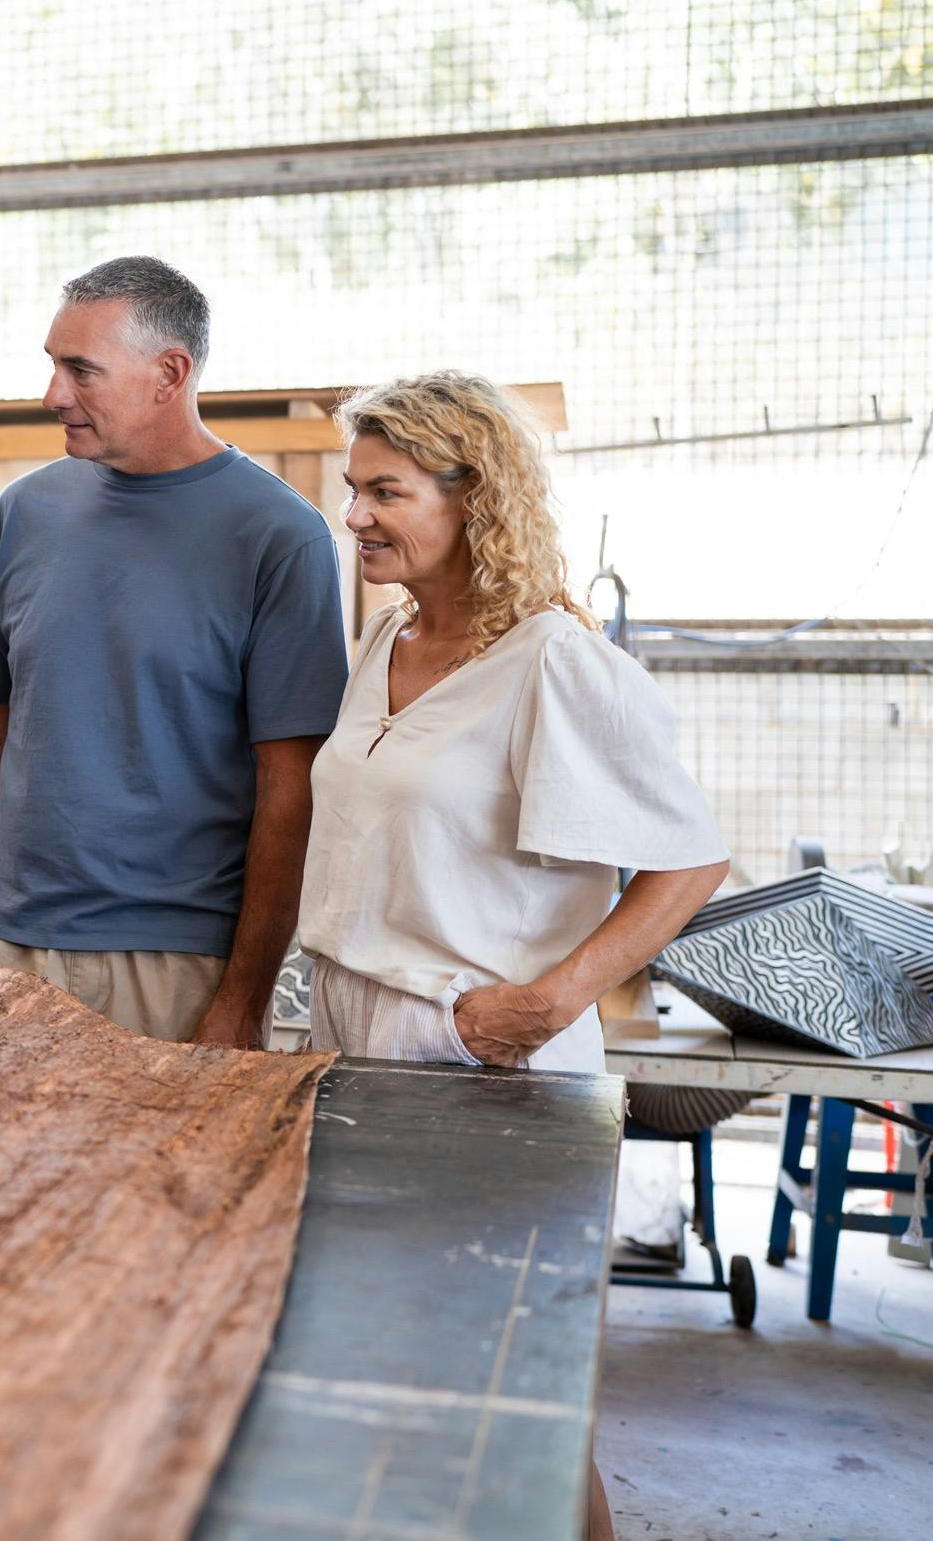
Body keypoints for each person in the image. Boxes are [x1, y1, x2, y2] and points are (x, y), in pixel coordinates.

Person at [294, 370, 730, 1541]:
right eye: (355, 490)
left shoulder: (555, 660)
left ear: (473, 492)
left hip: (486, 1058)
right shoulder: (386, 634)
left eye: (386, 490)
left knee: (517, 1409)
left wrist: (548, 1000)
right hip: (362, 1044)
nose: (357, 517)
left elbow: (689, 863)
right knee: (389, 1386)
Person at [0, 256, 350, 1048]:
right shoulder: (23, 513)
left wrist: (243, 997)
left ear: (169, 373)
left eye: (79, 370)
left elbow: (289, 787)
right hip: (3, 943)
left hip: (172, 965)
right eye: (51, 365)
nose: (52, 395)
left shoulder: (277, 537)